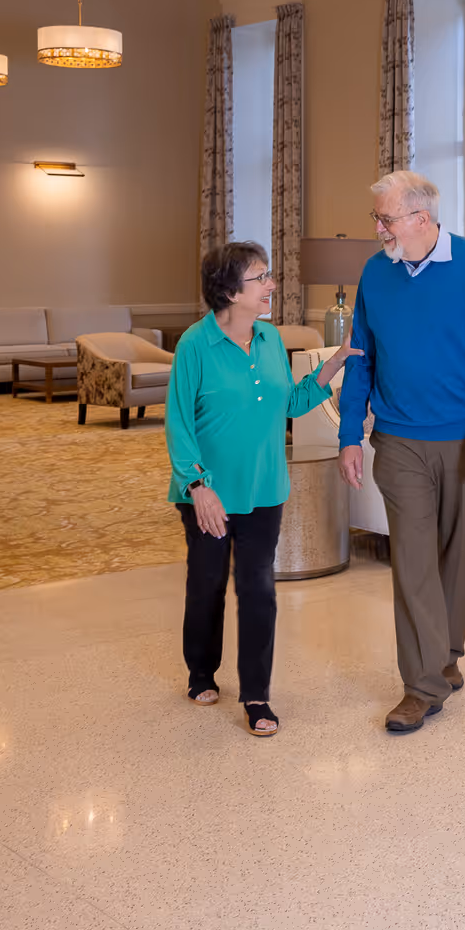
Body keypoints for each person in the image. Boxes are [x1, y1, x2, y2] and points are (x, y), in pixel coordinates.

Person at [337, 171, 465, 733]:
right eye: (378, 218)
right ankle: (421, 687)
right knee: (412, 561)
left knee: (450, 556)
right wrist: (349, 434)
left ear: (422, 219)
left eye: (385, 219)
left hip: (464, 440)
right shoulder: (375, 272)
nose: (378, 229)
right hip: (398, 440)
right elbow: (361, 359)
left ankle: (446, 655)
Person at [167, 241, 360, 737]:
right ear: (230, 290)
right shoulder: (195, 344)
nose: (271, 284)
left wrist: (335, 362)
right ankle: (201, 672)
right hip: (207, 493)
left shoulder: (272, 340)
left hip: (265, 490)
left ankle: (256, 694)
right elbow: (179, 424)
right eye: (261, 278)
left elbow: (291, 404)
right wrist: (196, 486)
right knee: (207, 584)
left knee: (258, 590)